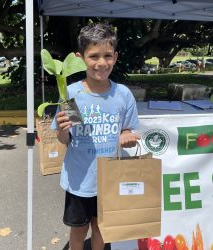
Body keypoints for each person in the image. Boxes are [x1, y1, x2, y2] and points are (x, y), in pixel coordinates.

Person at [52, 22, 140, 250]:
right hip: (79, 180)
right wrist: (62, 131)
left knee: (101, 227)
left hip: (109, 180)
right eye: (94, 56)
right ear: (80, 58)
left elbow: (126, 129)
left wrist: (127, 135)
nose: (102, 63)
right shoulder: (70, 94)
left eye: (108, 55)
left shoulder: (123, 95)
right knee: (78, 230)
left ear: (116, 57)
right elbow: (66, 140)